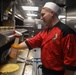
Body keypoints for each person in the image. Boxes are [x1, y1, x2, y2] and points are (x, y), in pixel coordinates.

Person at [10, 2, 76, 75]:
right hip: (45, 71)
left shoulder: (66, 32)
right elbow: (30, 42)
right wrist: (16, 47)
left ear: (52, 13)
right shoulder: (45, 32)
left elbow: (70, 64)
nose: (41, 18)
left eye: (43, 14)